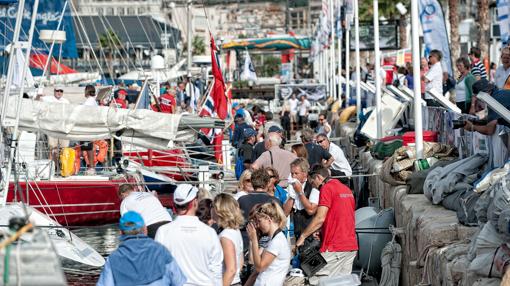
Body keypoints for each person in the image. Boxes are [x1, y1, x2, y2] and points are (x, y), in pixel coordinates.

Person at [296, 166, 358, 285]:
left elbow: (320, 218)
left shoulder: (327, 188)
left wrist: (303, 236)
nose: (313, 187)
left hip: (335, 247)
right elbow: (340, 216)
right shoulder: (346, 189)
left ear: (319, 177)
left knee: (317, 280)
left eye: (312, 182)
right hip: (350, 246)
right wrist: (323, 231)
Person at [156, 184, 223, 286]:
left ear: (174, 205)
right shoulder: (209, 233)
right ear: (195, 203)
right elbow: (216, 269)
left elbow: (158, 267)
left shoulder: (163, 231)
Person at [97, 211, 186, 286]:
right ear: (145, 229)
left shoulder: (113, 259)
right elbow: (179, 281)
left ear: (121, 232)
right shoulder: (161, 251)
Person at [464, 79, 510, 168]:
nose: (480, 101)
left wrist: (473, 127)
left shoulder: (495, 100)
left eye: (479, 98)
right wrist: (476, 121)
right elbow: (493, 119)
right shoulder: (498, 94)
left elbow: (489, 130)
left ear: (486, 93)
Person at [246, 201, 290, 286]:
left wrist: (254, 240)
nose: (258, 225)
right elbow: (254, 264)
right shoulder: (274, 239)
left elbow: (259, 267)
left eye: (259, 221)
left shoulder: (277, 241)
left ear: (268, 219)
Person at [237, 168, 281, 253]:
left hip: (246, 243)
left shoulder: (242, 200)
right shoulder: (276, 202)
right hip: (269, 247)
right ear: (268, 183)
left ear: (253, 183)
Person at [212, 194, 244, 286]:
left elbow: (231, 270)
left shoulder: (225, 236)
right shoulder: (235, 231)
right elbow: (240, 262)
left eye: (212, 206)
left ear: (218, 210)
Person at [286, 158, 320, 239]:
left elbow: (311, 211)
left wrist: (300, 192)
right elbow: (285, 212)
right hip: (297, 231)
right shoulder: (292, 187)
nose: (293, 176)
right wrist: (292, 196)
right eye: (292, 173)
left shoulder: (313, 186)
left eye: (296, 173)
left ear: (304, 173)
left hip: (311, 233)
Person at [38, 87, 70, 168]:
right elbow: (37, 100)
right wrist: (39, 94)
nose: (59, 92)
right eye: (57, 90)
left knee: (64, 149)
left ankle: (64, 168)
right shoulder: (49, 99)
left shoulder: (66, 101)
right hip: (52, 127)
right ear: (54, 91)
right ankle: (53, 168)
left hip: (63, 128)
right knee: (52, 148)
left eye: (61, 91)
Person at [81, 85, 98, 175]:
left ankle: (91, 167)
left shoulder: (89, 102)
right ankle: (91, 167)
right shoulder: (93, 101)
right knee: (87, 147)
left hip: (87, 127)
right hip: (89, 127)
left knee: (88, 148)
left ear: (87, 91)